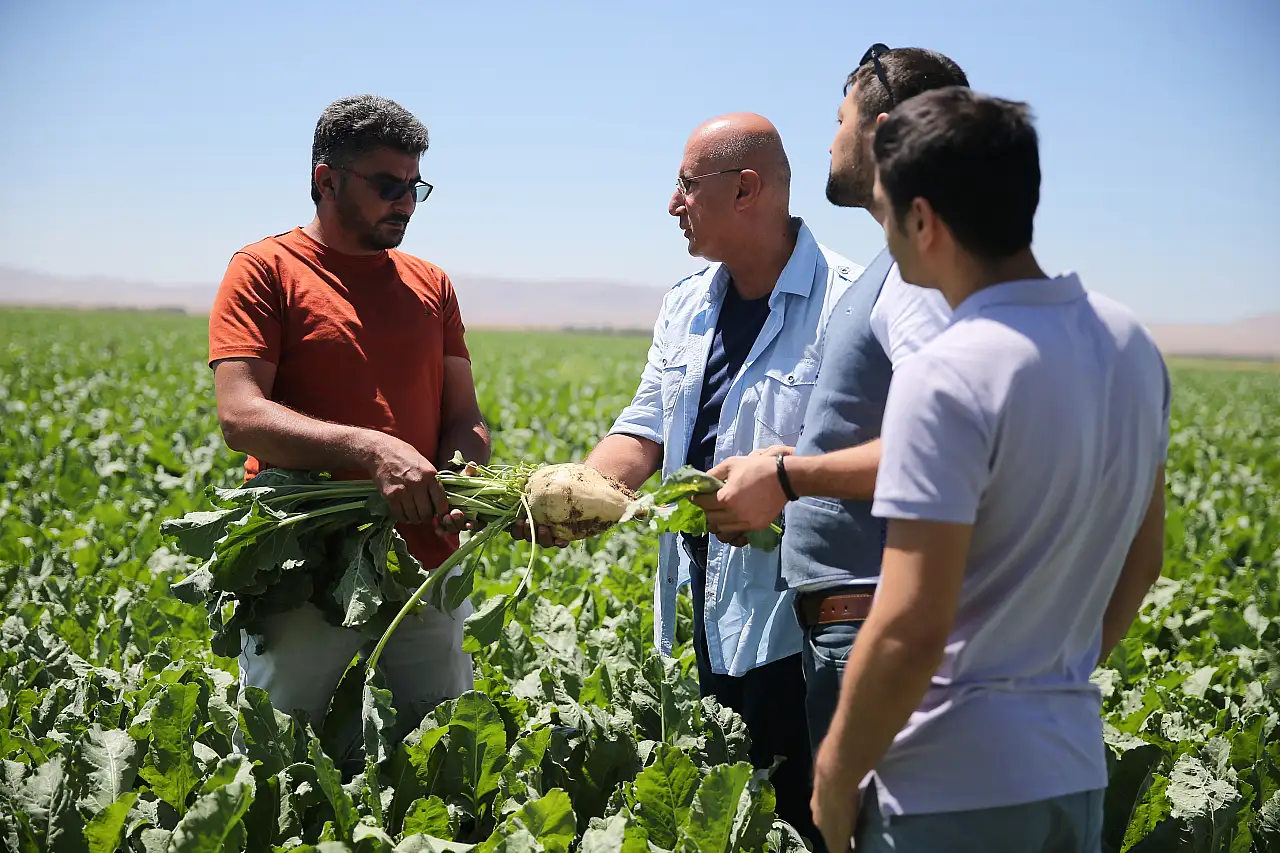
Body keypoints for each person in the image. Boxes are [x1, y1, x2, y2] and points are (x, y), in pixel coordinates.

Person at [808, 86, 1171, 852]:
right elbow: (1145, 561)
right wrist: (1042, 689)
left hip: (949, 790)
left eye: (888, 211)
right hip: (1070, 771)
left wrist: (836, 776)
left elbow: (910, 625)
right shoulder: (1130, 343)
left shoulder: (948, 372)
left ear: (923, 220)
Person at [521, 112, 858, 846]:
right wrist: (575, 492)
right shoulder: (686, 303)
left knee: (806, 818)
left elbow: (878, 465)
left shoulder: (848, 306)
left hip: (804, 621)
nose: (672, 204)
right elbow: (644, 427)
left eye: (684, 185)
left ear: (746, 189)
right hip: (709, 604)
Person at [696, 45, 969, 752]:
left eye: (839, 119)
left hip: (874, 622)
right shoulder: (902, 267)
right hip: (850, 625)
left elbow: (948, 447)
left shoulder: (920, 276)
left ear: (880, 134)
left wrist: (789, 475)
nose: (829, 138)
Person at [208, 94, 489, 747]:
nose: (407, 202)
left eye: (415, 185)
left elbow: (464, 413)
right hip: (302, 558)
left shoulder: (432, 284)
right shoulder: (265, 271)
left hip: (423, 559)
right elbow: (241, 413)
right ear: (325, 181)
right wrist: (372, 449)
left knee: (441, 750)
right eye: (388, 185)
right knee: (282, 753)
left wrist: (463, 466)